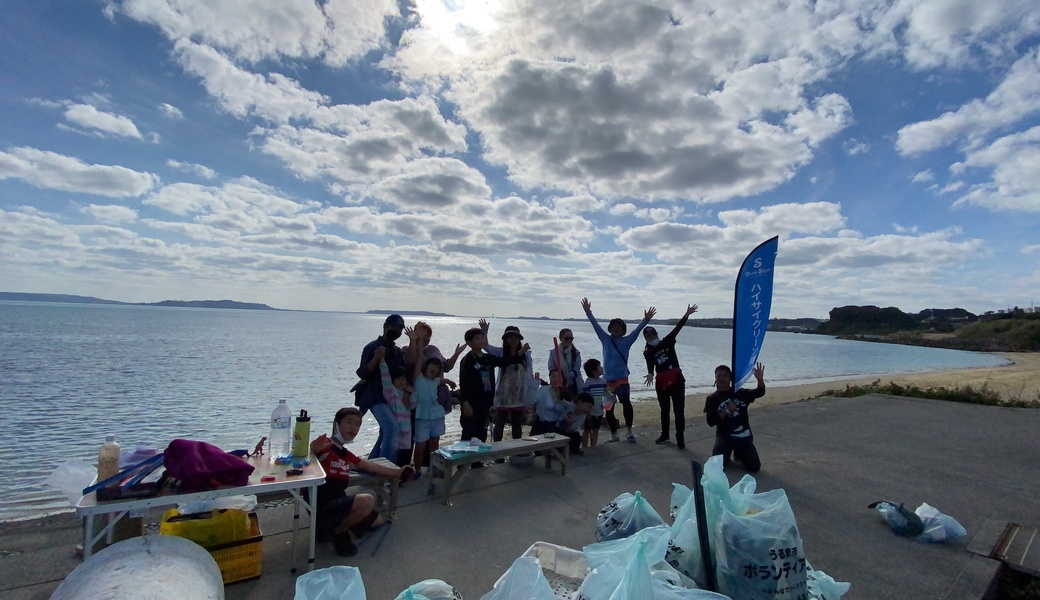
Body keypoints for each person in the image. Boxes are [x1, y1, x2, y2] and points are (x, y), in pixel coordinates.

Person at [309, 407, 411, 556]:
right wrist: (312, 450)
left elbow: (368, 465)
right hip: (322, 505)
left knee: (378, 521)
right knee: (367, 501)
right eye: (349, 422)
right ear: (336, 425)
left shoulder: (345, 453)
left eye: (357, 424)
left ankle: (335, 526)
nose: (353, 427)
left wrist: (397, 472)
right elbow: (307, 456)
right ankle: (339, 531)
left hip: (339, 502)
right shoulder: (324, 446)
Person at [581, 297, 656, 442]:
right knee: (609, 407)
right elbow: (595, 325)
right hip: (608, 380)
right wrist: (588, 312)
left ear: (623, 330)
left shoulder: (627, 341)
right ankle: (614, 434)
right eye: (614, 327)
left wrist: (645, 320)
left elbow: (637, 331)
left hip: (622, 378)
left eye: (619, 327)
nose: (616, 329)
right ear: (610, 329)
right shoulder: (605, 339)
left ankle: (629, 432)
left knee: (626, 402)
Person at [458, 327, 527, 467]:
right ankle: (462, 463)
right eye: (477, 339)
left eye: (482, 338)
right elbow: (463, 382)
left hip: (485, 402)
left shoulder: (488, 358)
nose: (481, 341)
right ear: (469, 342)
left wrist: (521, 352)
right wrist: (465, 403)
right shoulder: (467, 360)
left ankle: (476, 463)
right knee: (468, 432)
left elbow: (505, 362)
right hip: (472, 402)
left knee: (481, 432)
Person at [643, 303, 699, 449]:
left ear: (657, 334)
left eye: (653, 334)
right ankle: (665, 434)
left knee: (679, 410)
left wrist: (686, 314)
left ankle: (680, 437)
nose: (651, 337)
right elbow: (650, 365)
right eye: (648, 336)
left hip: (676, 380)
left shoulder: (667, 341)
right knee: (664, 410)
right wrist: (649, 373)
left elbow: (677, 328)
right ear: (646, 339)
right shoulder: (647, 351)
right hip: (661, 382)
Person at [356, 314, 406, 460]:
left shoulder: (397, 351)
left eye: (399, 328)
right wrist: (376, 359)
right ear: (385, 326)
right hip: (374, 394)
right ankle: (386, 471)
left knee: (385, 432)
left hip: (391, 396)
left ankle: (372, 466)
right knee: (392, 429)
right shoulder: (372, 347)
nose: (396, 331)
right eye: (394, 327)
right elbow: (363, 373)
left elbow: (400, 374)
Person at [704, 362, 766, 473]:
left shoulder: (740, 393)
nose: (722, 378)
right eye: (719, 375)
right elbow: (711, 422)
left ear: (730, 378)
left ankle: (739, 454)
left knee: (754, 467)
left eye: (725, 375)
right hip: (725, 437)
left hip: (743, 437)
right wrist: (727, 410)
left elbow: (759, 392)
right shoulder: (712, 399)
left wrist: (760, 379)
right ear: (715, 378)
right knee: (718, 466)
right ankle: (727, 454)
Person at [410, 347, 455, 477]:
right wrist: (418, 342)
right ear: (425, 366)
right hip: (422, 417)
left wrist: (450, 381)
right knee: (419, 446)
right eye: (432, 365)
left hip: (437, 416)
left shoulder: (435, 381)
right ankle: (417, 470)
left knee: (434, 445)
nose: (434, 368)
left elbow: (443, 380)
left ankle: (433, 467)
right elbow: (419, 359)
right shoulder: (418, 378)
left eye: (437, 367)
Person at [492, 326, 532, 443]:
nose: (513, 340)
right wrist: (484, 332)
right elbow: (486, 347)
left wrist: (530, 393)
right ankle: (498, 451)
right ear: (505, 339)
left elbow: (529, 374)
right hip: (503, 395)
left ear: (519, 339)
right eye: (510, 337)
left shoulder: (526, 356)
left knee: (517, 424)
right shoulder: (501, 352)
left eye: (516, 337)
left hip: (518, 396)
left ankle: (517, 451)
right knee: (499, 423)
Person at [378, 355, 413, 467]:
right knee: (391, 452)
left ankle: (398, 475)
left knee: (401, 455)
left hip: (406, 429)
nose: (401, 382)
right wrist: (382, 361)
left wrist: (413, 391)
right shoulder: (391, 392)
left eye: (403, 379)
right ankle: (388, 475)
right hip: (397, 430)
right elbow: (386, 378)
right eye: (398, 379)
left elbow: (413, 405)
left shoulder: (406, 395)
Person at [530, 369, 568, 436]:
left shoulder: (566, 394)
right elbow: (529, 401)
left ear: (562, 378)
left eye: (558, 377)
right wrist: (534, 386)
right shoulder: (543, 390)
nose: (556, 379)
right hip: (542, 426)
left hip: (558, 427)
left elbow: (570, 408)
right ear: (549, 378)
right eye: (553, 377)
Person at [548, 328, 584, 397]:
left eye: (571, 338)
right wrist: (558, 376)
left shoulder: (576, 353)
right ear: (560, 338)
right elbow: (551, 367)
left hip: (574, 385)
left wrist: (566, 376)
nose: (569, 340)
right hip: (558, 384)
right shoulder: (553, 352)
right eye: (567, 338)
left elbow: (577, 368)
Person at [581, 359, 608, 447]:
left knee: (596, 429)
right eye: (599, 366)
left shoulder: (603, 382)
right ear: (594, 370)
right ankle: (585, 447)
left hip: (599, 410)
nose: (601, 368)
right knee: (587, 430)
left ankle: (594, 446)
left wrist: (612, 397)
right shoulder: (588, 383)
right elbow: (585, 397)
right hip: (590, 411)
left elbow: (606, 392)